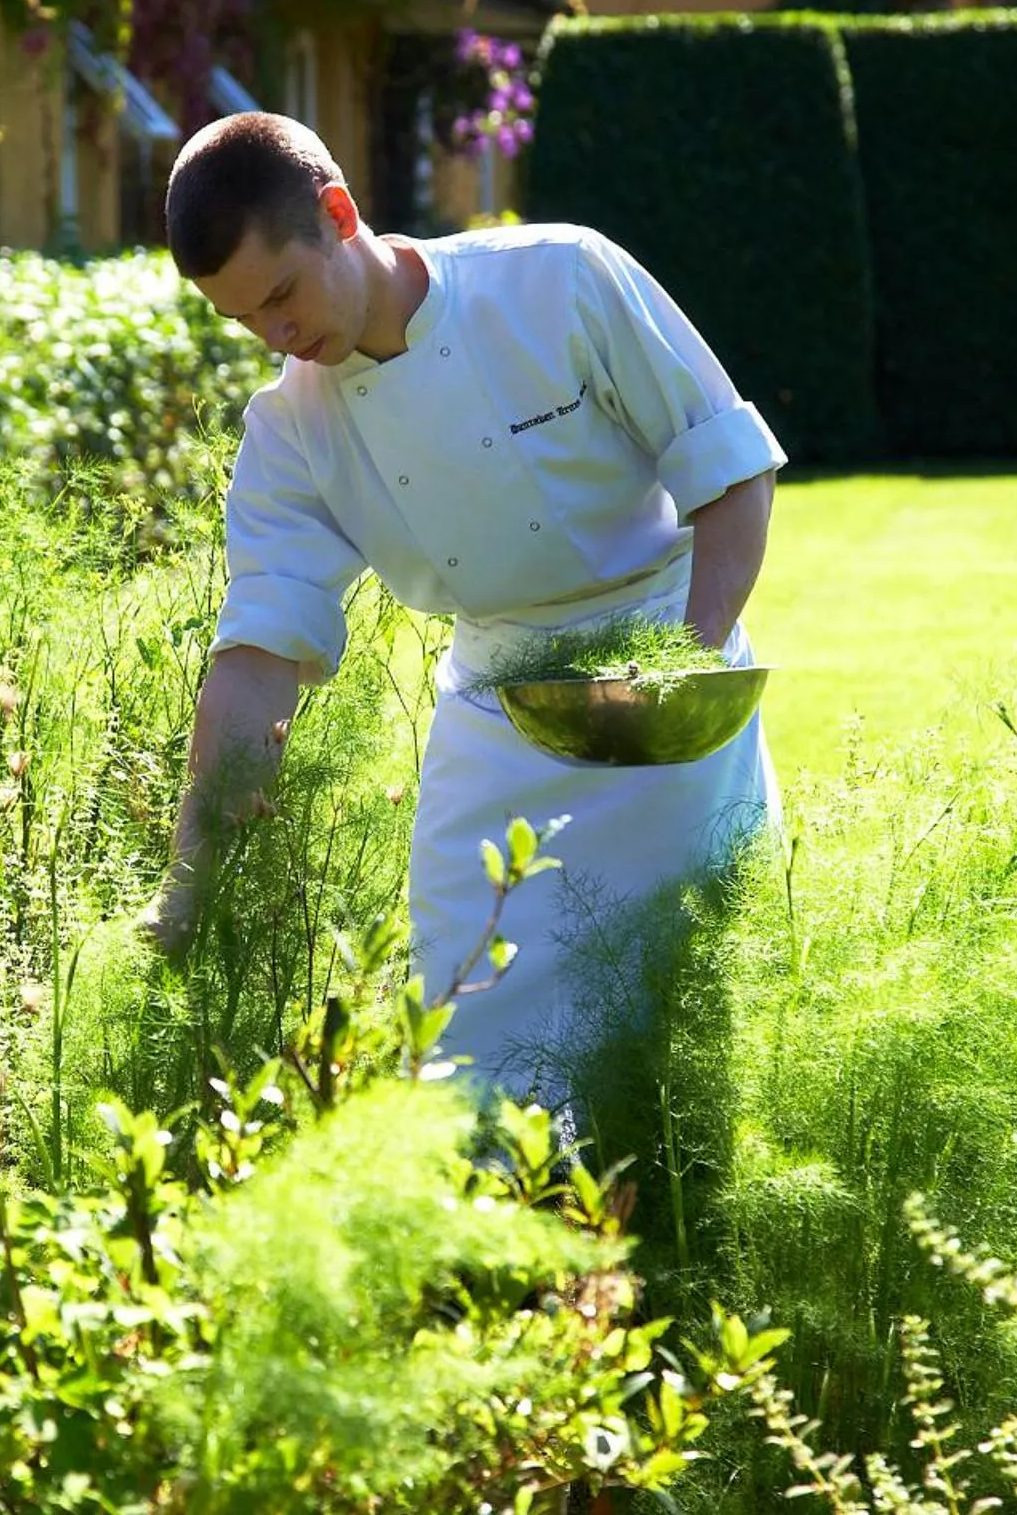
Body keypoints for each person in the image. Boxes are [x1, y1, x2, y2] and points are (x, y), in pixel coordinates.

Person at [143, 112, 783, 1105]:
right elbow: (260, 653)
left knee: (689, 1043)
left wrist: (683, 669)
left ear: (338, 213)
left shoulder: (559, 278)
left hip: (668, 684)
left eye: (282, 295)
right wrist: (195, 865)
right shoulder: (289, 429)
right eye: (245, 323)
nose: (279, 338)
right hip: (496, 713)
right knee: (459, 1042)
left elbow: (729, 470)